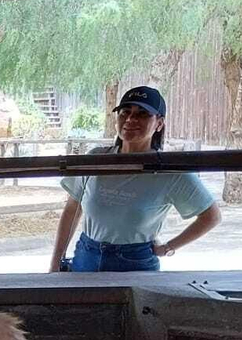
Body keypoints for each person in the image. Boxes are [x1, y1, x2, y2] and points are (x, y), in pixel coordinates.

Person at [49, 85, 221, 272]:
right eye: (125, 112)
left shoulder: (170, 172)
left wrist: (168, 248)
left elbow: (211, 216)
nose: (130, 119)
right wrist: (55, 263)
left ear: (159, 123)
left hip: (135, 261)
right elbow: (72, 208)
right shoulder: (95, 159)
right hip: (86, 256)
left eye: (142, 114)